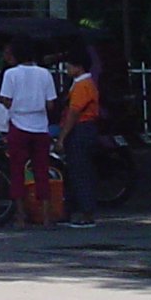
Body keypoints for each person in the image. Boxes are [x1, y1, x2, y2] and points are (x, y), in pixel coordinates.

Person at [0, 38, 57, 227]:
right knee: (41, 169)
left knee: (16, 170)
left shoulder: (11, 74)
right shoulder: (44, 74)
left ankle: (21, 215)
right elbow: (51, 104)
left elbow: (6, 100)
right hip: (40, 126)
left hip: (18, 124)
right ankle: (46, 215)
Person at [57, 47, 101, 228]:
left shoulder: (83, 86)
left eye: (69, 64)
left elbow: (74, 112)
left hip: (81, 129)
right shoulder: (81, 83)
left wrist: (61, 137)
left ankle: (87, 214)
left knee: (81, 172)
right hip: (83, 129)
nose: (66, 67)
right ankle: (74, 210)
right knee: (75, 171)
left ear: (79, 67)